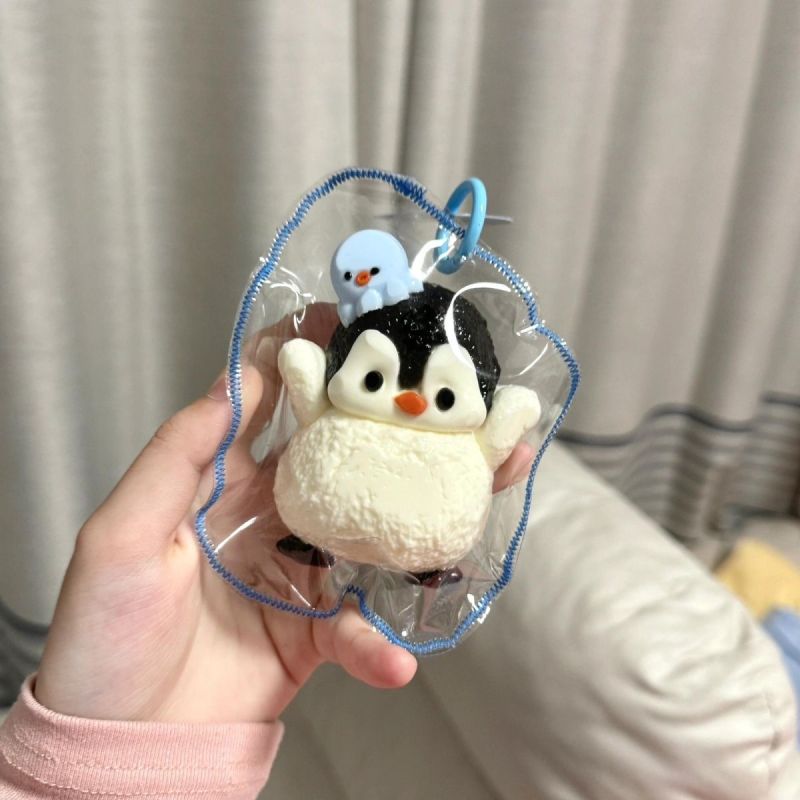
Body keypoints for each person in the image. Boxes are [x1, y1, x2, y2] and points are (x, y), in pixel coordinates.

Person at [0, 330, 532, 798]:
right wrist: (94, 762)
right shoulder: (329, 428)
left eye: (444, 396)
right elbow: (304, 376)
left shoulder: (460, 452)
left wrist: (82, 767)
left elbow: (507, 425)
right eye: (374, 380)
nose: (410, 402)